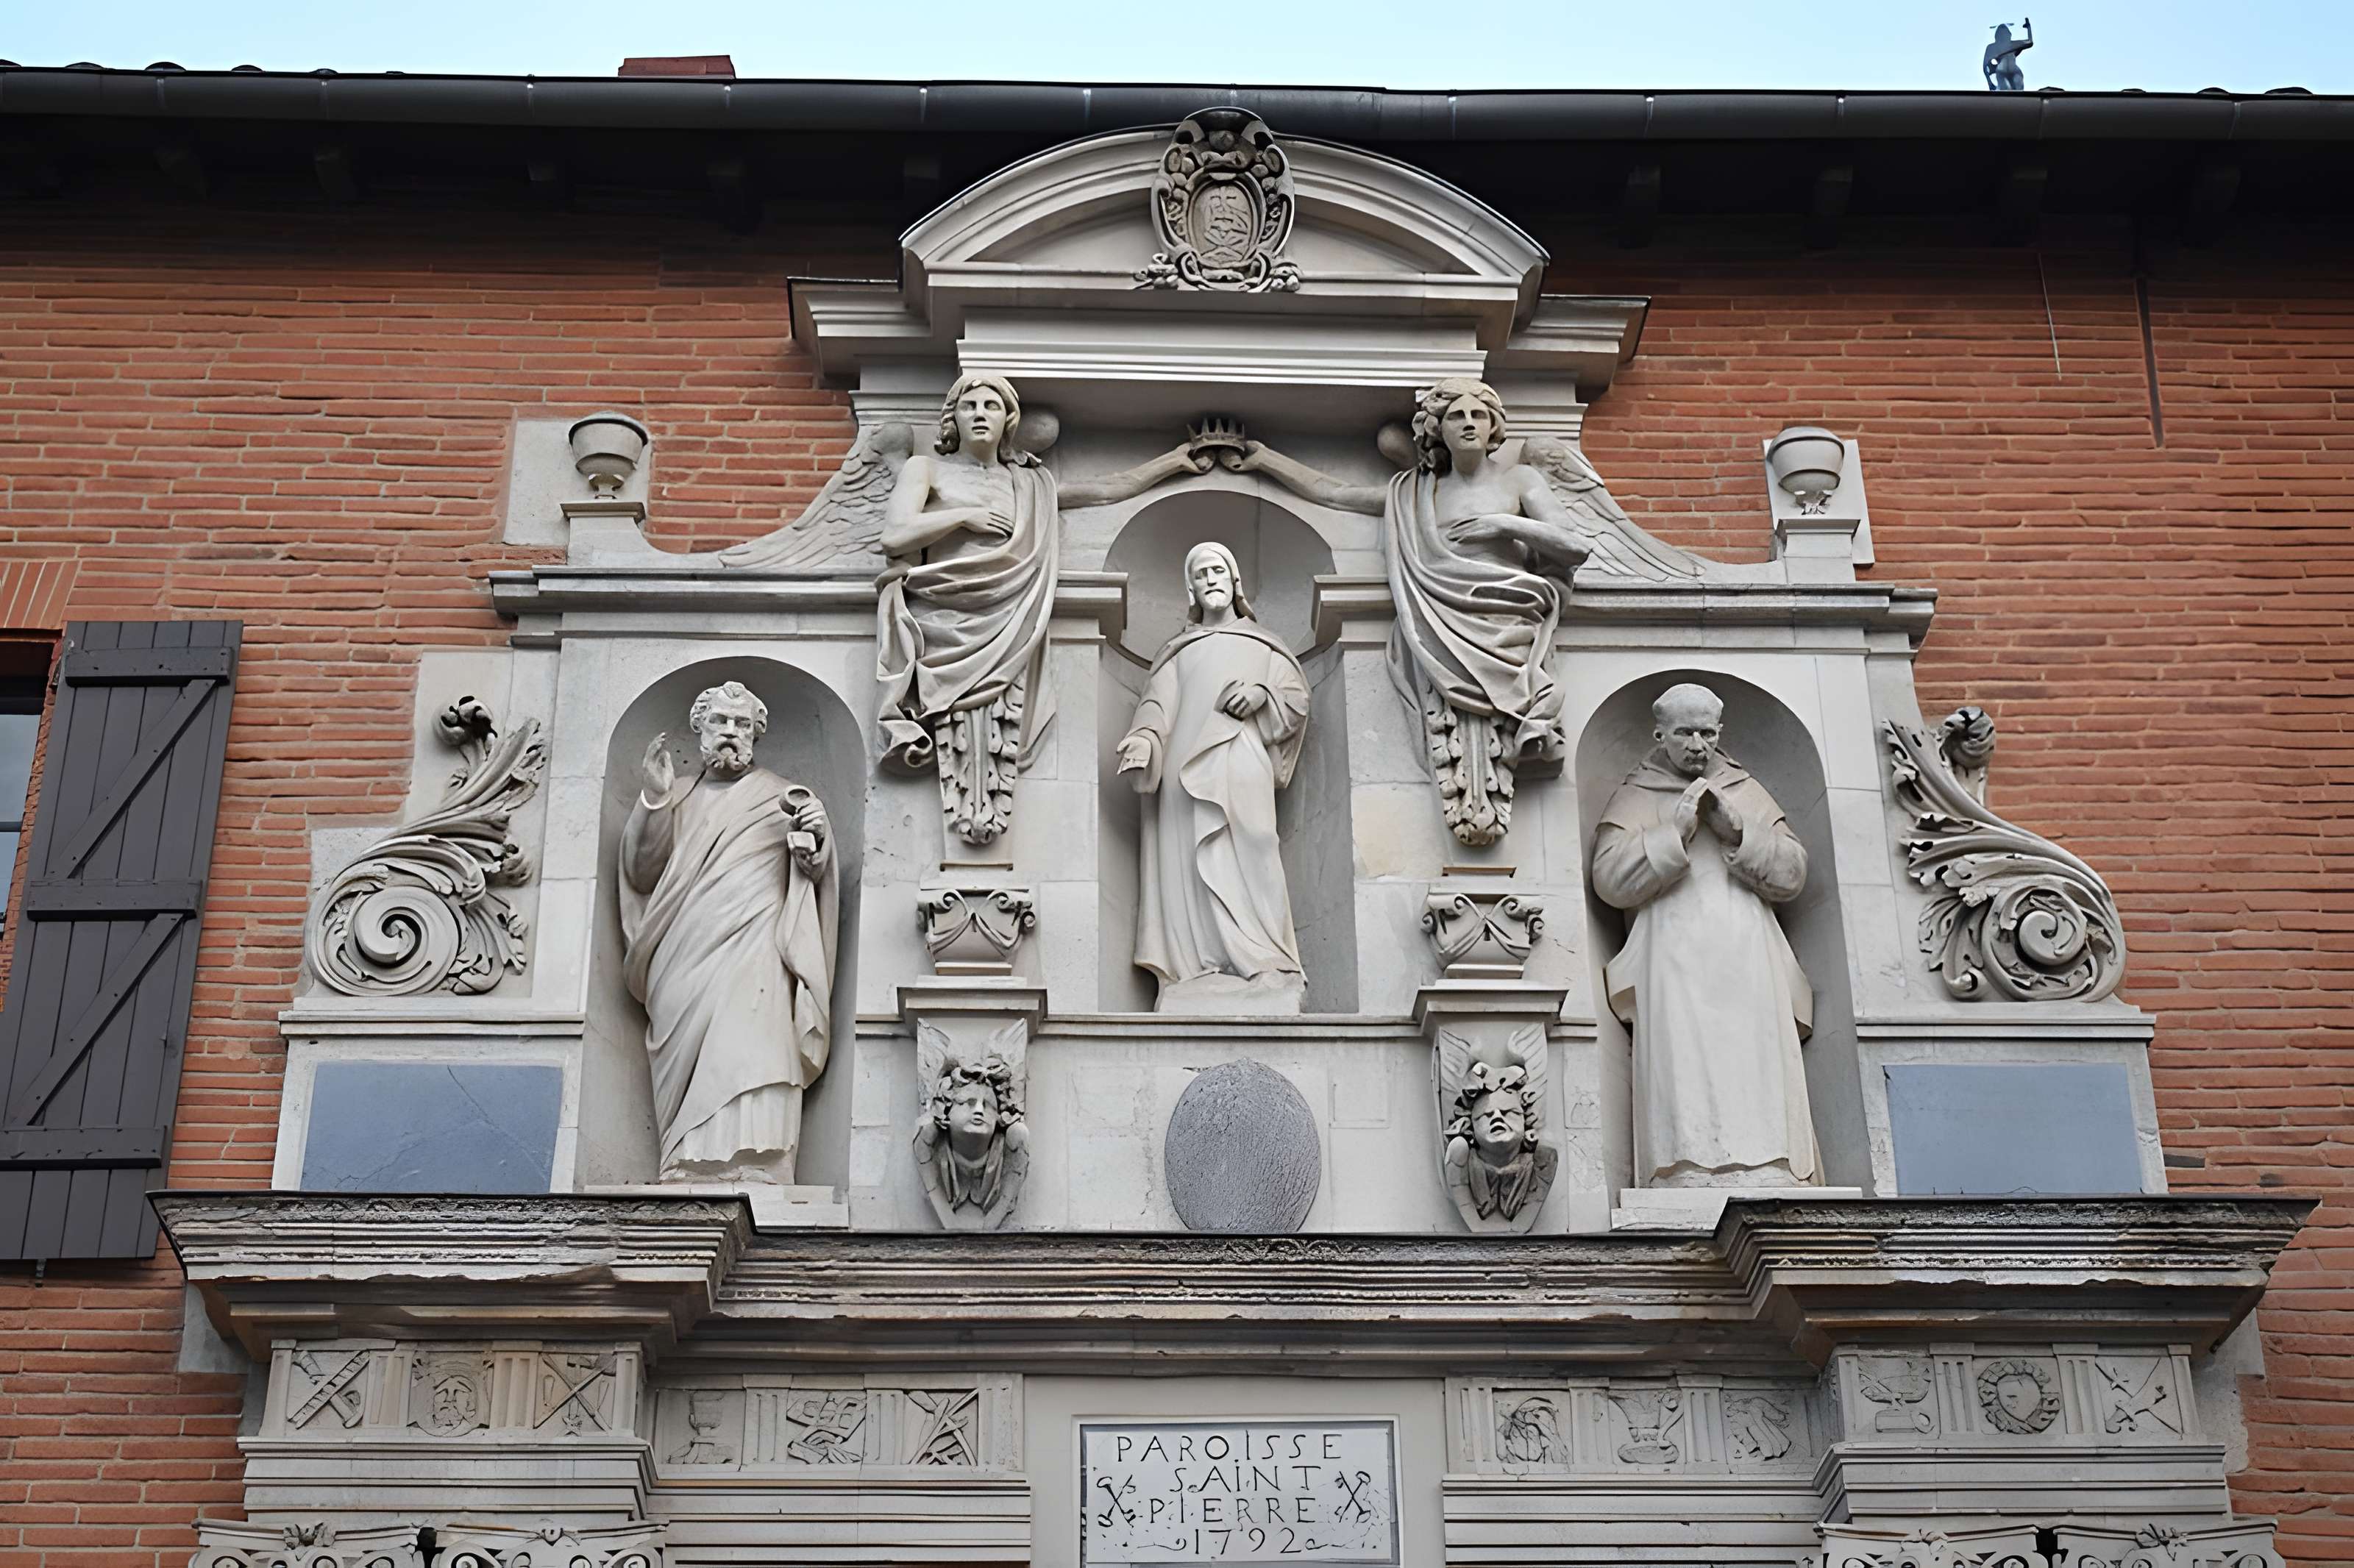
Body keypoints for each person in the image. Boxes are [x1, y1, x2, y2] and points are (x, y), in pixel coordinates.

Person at [1222, 378, 1596, 846]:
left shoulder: (1519, 480)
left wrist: (1502, 524)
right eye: (1457, 417)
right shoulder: (1414, 492)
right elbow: (1338, 495)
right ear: (1438, 429)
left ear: (1494, 426)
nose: (1468, 424)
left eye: (1478, 416)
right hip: (1438, 619)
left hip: (1508, 618)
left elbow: (1576, 545)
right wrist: (1266, 461)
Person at [879, 372, 1206, 845]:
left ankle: (982, 797)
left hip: (1012, 614)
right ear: (953, 418)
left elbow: (1101, 490)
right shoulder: (925, 470)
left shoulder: (1030, 483)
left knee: (994, 727)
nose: (980, 415)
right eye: (970, 406)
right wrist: (961, 516)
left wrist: (1170, 464)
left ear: (1008, 421)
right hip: (944, 617)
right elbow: (893, 536)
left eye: (992, 406)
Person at [1590, 683, 1821, 1188]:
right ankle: (1686, 1167)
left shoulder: (1745, 789)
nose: (1698, 744)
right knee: (1683, 1055)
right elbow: (1608, 880)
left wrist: (1739, 831)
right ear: (1660, 735)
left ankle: (1773, 1165)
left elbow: (1793, 873)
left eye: (1707, 734)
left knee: (1756, 1049)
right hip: (1671, 952)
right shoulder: (1637, 794)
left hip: (1747, 945)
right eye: (1685, 733)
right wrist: (1674, 834)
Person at [619, 681, 836, 1183]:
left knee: (754, 1042)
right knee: (692, 1057)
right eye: (720, 722)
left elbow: (814, 872)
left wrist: (814, 845)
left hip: (756, 945)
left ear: (757, 734)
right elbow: (642, 873)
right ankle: (684, 1158)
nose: (730, 733)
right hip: (682, 950)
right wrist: (654, 801)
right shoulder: (677, 799)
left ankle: (758, 1160)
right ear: (699, 730)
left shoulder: (782, 797)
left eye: (742, 725)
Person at [1117, 541, 1312, 1013]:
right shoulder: (1177, 652)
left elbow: (1298, 700)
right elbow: (1156, 708)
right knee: (1189, 859)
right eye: (1201, 573)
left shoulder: (1265, 646)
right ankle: (1197, 967)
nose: (1211, 579)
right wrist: (1144, 741)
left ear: (1235, 579)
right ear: (1191, 588)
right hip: (1183, 770)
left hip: (1242, 757)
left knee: (1256, 842)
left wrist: (1263, 696)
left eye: (1218, 570)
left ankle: (1267, 961)